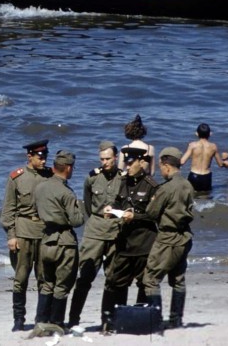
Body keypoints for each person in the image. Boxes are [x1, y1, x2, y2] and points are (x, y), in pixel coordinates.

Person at [101, 147, 159, 333]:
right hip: (125, 243)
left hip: (144, 244)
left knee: (144, 284)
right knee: (115, 282)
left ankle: (141, 321)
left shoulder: (151, 186)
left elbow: (154, 215)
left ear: (142, 163)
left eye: (131, 162)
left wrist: (135, 217)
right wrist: (112, 209)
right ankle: (111, 321)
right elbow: (120, 202)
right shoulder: (124, 181)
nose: (127, 166)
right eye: (126, 162)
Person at [68, 141, 123, 328]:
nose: (105, 162)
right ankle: (74, 319)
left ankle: (107, 321)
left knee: (113, 278)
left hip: (116, 230)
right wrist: (97, 220)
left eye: (108, 159)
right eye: (102, 159)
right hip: (95, 231)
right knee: (85, 276)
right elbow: (89, 205)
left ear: (116, 158)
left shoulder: (123, 178)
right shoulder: (92, 178)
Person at [0, 139, 53, 331]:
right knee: (20, 278)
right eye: (40, 156)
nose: (44, 160)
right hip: (23, 233)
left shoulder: (51, 176)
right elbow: (8, 211)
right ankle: (19, 320)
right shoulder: (17, 177)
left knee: (44, 278)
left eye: (46, 155)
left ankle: (42, 318)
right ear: (29, 156)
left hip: (45, 234)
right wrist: (11, 236)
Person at [142, 147, 194, 329]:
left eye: (161, 166)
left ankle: (156, 320)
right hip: (184, 236)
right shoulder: (187, 185)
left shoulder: (166, 188)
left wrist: (154, 198)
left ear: (166, 165)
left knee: (150, 279)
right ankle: (176, 319)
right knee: (178, 279)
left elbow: (151, 212)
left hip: (167, 238)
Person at [33, 150, 84, 329]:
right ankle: (56, 323)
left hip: (46, 240)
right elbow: (77, 220)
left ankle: (41, 321)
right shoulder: (66, 193)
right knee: (62, 285)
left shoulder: (39, 187)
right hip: (64, 241)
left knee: (46, 284)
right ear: (68, 168)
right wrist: (81, 206)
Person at [180, 123, 227, 191]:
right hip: (206, 177)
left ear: (197, 134)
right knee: (206, 197)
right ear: (210, 134)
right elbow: (220, 164)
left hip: (194, 175)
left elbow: (182, 161)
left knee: (191, 197)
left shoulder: (193, 145)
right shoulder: (213, 147)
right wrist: (225, 163)